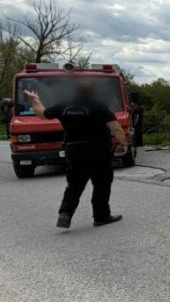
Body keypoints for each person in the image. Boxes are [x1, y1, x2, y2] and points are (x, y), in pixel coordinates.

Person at [24, 82, 128, 229]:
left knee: (74, 184)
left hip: (73, 150)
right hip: (98, 150)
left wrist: (34, 99)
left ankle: (65, 214)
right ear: (93, 92)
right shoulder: (99, 106)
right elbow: (116, 127)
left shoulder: (63, 106)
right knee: (101, 184)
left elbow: (42, 113)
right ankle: (101, 216)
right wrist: (123, 144)